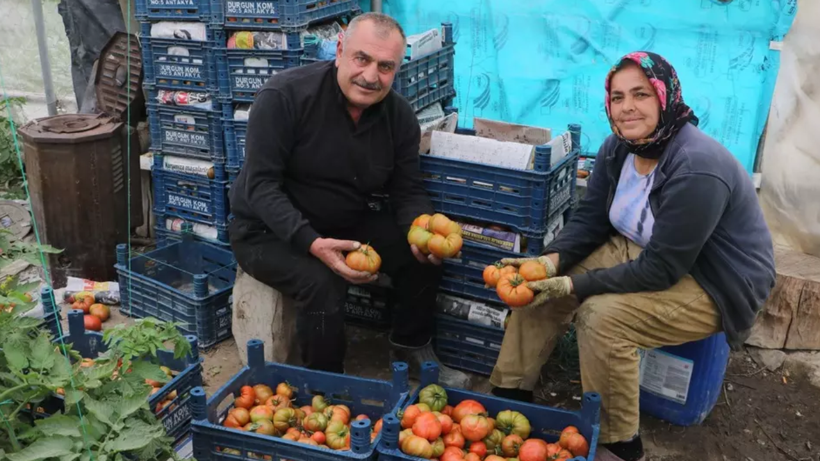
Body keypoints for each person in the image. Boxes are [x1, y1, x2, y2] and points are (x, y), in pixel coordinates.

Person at [489, 51, 775, 461]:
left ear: (664, 96)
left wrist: (573, 283)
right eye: (618, 97)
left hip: (716, 279)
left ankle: (621, 443)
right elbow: (590, 220)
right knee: (536, 286)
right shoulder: (618, 148)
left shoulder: (697, 166)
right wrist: (549, 264)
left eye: (640, 94)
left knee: (603, 320)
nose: (627, 108)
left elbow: (662, 268)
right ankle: (510, 394)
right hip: (643, 249)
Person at [227, 12, 470, 388]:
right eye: (362, 59)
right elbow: (261, 187)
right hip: (266, 232)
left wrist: (421, 229)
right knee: (321, 283)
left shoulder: (399, 118)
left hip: (343, 222)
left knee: (419, 255)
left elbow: (407, 191)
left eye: (386, 66)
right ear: (340, 50)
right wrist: (311, 242)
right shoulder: (285, 96)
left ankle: (410, 345)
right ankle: (326, 384)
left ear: (397, 68)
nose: (371, 76)